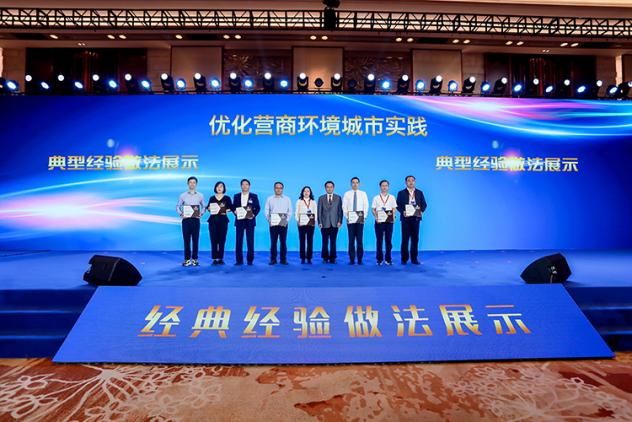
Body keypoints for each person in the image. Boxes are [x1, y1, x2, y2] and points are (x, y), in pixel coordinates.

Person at [396, 175, 428, 265]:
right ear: (405, 182)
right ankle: (404, 259)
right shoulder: (401, 193)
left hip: (416, 218)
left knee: (415, 239)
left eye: (412, 180)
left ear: (415, 182)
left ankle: (414, 258)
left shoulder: (419, 192)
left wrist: (421, 211)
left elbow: (424, 204)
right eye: (408, 180)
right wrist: (402, 211)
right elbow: (397, 204)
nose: (411, 182)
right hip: (405, 219)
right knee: (405, 239)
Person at [176, 176, 205, 266]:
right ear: (188, 184)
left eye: (194, 182)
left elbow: (204, 206)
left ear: (196, 184)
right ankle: (187, 259)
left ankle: (195, 259)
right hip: (186, 220)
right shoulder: (182, 195)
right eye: (190, 182)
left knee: (195, 240)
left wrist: (201, 213)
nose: (192, 184)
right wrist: (181, 214)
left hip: (196, 220)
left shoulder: (200, 195)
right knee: (186, 240)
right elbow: (178, 206)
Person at [342, 177, 369, 265]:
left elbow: (366, 206)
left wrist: (364, 217)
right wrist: (347, 217)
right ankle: (352, 259)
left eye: (357, 182)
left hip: (360, 220)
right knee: (351, 240)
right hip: (350, 220)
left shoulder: (363, 194)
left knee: (360, 240)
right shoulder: (347, 194)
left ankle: (360, 259)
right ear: (351, 184)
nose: (355, 184)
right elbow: (344, 207)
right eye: (353, 182)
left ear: (359, 184)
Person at [232, 179, 260, 265]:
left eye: (246, 184)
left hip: (250, 221)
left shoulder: (254, 196)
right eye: (243, 184)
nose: (245, 186)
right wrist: (234, 211)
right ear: (241, 186)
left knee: (250, 241)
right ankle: (239, 261)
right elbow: (233, 206)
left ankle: (250, 260)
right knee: (238, 241)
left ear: (249, 186)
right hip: (239, 221)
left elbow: (258, 208)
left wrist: (253, 215)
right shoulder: (236, 196)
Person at [264, 182, 292, 265]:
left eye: (280, 188)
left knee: (283, 242)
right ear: (274, 189)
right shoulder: (269, 199)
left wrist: (287, 220)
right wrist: (269, 220)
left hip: (283, 223)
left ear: (282, 189)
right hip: (273, 223)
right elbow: (266, 210)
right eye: (277, 188)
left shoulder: (287, 199)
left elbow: (290, 211)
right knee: (273, 242)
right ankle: (273, 259)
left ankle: (283, 259)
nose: (278, 189)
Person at [371, 180, 398, 265]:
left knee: (388, 240)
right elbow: (373, 209)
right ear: (380, 187)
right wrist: (376, 217)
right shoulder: (376, 197)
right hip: (379, 222)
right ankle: (379, 259)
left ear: (388, 187)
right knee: (379, 240)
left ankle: (388, 259)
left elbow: (394, 208)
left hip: (389, 222)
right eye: (383, 185)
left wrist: (393, 217)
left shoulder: (392, 197)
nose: (384, 187)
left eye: (386, 185)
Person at [206, 181, 233, 265]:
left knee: (222, 239)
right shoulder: (212, 198)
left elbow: (231, 208)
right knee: (213, 239)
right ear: (215, 188)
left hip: (223, 220)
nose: (219, 188)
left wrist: (225, 210)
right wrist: (209, 208)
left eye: (221, 186)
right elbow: (208, 207)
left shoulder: (227, 198)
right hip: (213, 221)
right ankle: (214, 258)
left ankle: (220, 258)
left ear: (224, 188)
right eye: (217, 186)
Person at [317, 181, 343, 264]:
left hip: (335, 223)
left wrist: (340, 221)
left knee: (333, 241)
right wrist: (319, 222)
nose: (329, 188)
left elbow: (340, 211)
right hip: (324, 223)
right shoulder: (321, 198)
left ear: (333, 188)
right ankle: (325, 257)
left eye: (331, 187)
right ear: (325, 188)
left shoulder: (338, 198)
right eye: (327, 187)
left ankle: (333, 257)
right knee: (325, 241)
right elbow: (319, 211)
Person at [295, 186, 317, 264]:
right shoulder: (299, 201)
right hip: (301, 223)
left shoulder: (313, 202)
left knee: (310, 241)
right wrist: (297, 220)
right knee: (302, 241)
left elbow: (315, 212)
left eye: (308, 191)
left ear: (310, 193)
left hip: (311, 223)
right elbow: (296, 212)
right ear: (302, 192)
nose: (306, 192)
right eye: (305, 191)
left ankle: (309, 258)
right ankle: (302, 258)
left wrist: (315, 221)